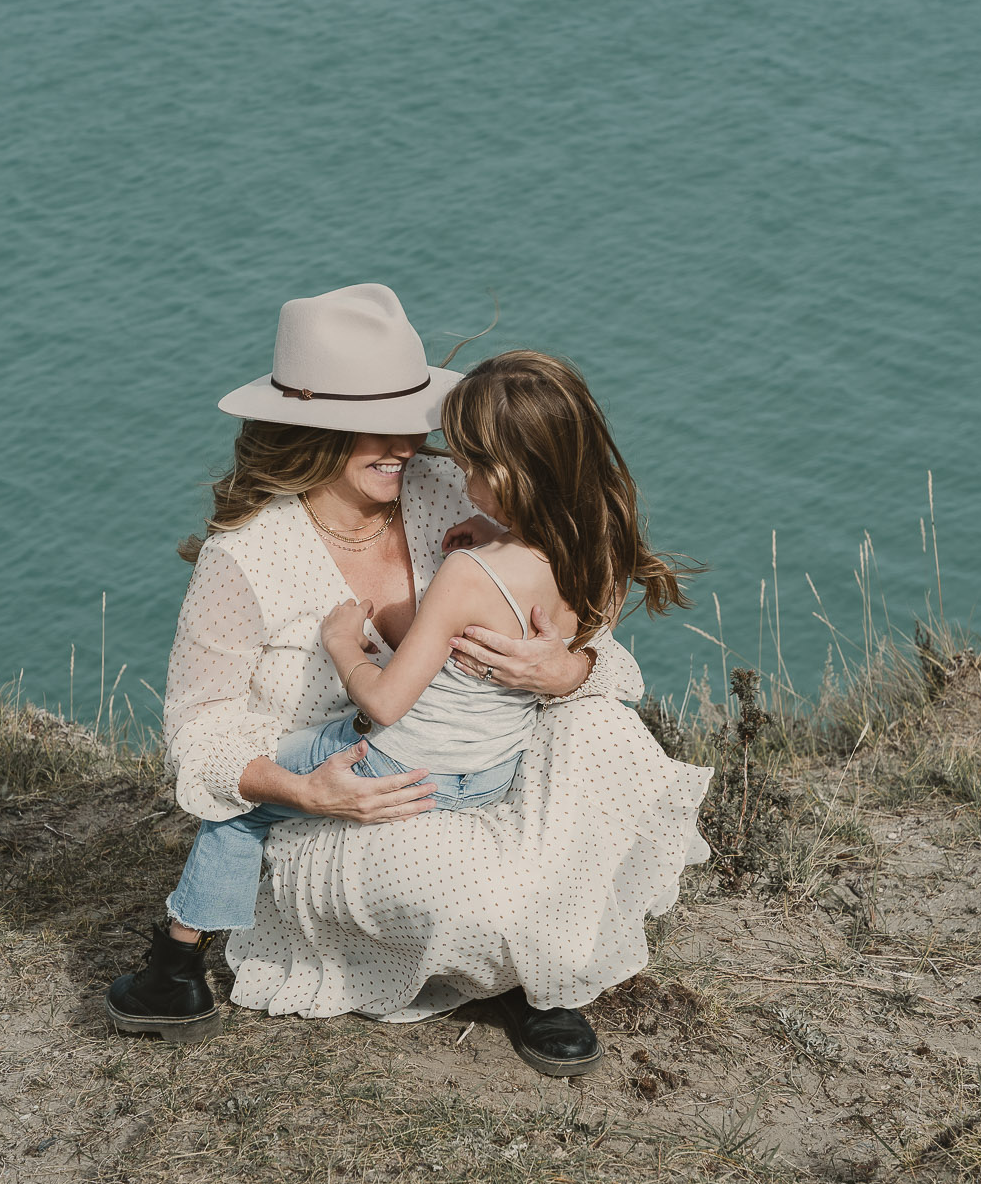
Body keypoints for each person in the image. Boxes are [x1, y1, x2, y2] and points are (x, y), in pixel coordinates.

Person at [107, 284, 710, 1076]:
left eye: (409, 412)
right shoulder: (245, 556)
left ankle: (547, 975)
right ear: (307, 428)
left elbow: (593, 636)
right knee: (471, 890)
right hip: (353, 799)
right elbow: (196, 738)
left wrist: (570, 667)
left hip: (483, 756)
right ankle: (526, 960)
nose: (405, 440)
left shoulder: (455, 490)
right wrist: (310, 792)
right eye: (372, 422)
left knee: (608, 732)